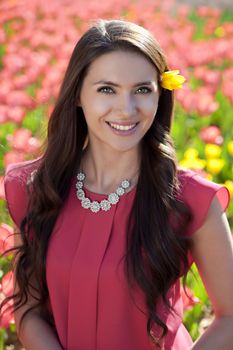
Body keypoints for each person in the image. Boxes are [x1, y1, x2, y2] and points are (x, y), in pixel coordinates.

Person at [1, 19, 233, 350]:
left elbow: (230, 316)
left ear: (160, 94)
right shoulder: (36, 188)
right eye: (107, 89)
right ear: (78, 94)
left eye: (142, 90)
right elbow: (28, 308)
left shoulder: (191, 199)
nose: (126, 110)